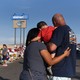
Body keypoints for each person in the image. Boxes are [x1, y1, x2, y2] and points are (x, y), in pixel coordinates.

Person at [48, 13, 77, 80]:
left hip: (59, 70)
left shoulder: (60, 29)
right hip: (68, 71)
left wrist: (47, 44)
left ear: (54, 22)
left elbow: (52, 47)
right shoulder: (71, 31)